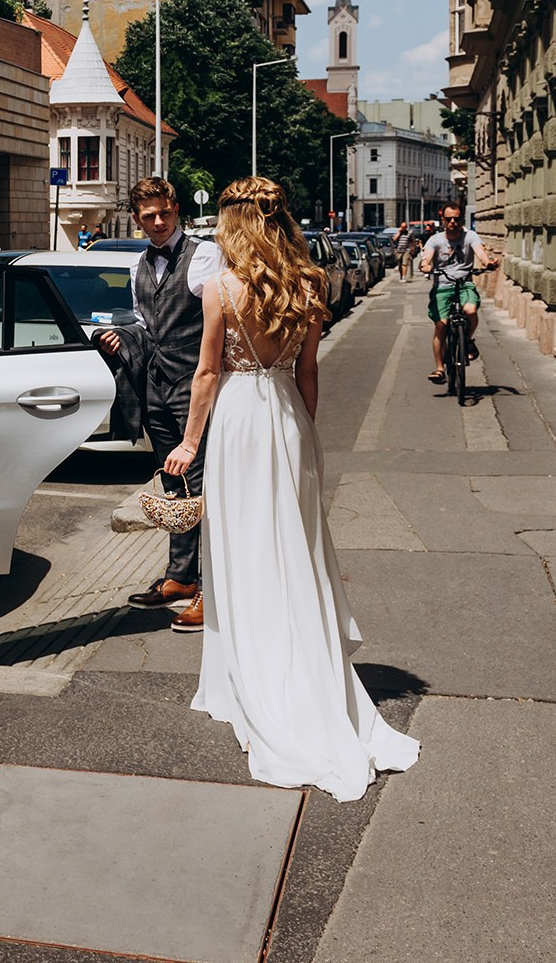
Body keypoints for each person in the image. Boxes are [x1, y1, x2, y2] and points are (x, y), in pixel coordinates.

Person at [166, 176, 419, 801]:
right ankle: (303, 664)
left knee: (242, 550)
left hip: (239, 423)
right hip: (286, 420)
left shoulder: (221, 289)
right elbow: (308, 374)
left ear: (236, 224)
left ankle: (246, 677)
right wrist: (307, 435)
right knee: (295, 547)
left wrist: (189, 445)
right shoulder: (307, 285)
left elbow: (206, 373)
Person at [99, 177, 220, 631]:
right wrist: (122, 337)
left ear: (177, 211)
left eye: (164, 213)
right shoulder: (137, 267)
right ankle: (180, 577)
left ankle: (213, 591)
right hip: (157, 387)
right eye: (147, 215)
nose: (157, 222)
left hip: (195, 387)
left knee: (205, 492)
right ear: (136, 218)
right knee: (174, 490)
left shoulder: (204, 255)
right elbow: (145, 327)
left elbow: (219, 321)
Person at [419, 206, 491, 383]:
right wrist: (425, 265)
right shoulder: (435, 240)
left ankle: (467, 340)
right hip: (442, 287)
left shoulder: (470, 237)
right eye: (449, 219)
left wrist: (488, 262)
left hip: (464, 284)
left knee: (471, 310)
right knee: (441, 325)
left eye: (457, 219)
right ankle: (439, 368)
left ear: (462, 221)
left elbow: (481, 253)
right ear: (443, 220)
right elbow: (426, 257)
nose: (453, 222)